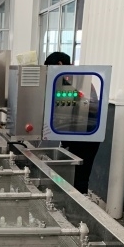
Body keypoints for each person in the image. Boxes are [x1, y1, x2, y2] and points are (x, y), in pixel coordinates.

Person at [44, 51, 100, 194]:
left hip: (87, 134)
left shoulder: (81, 80)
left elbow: (93, 106)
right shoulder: (63, 80)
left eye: (51, 68)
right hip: (71, 132)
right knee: (68, 172)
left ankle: (79, 201)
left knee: (81, 174)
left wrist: (78, 99)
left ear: (60, 64)